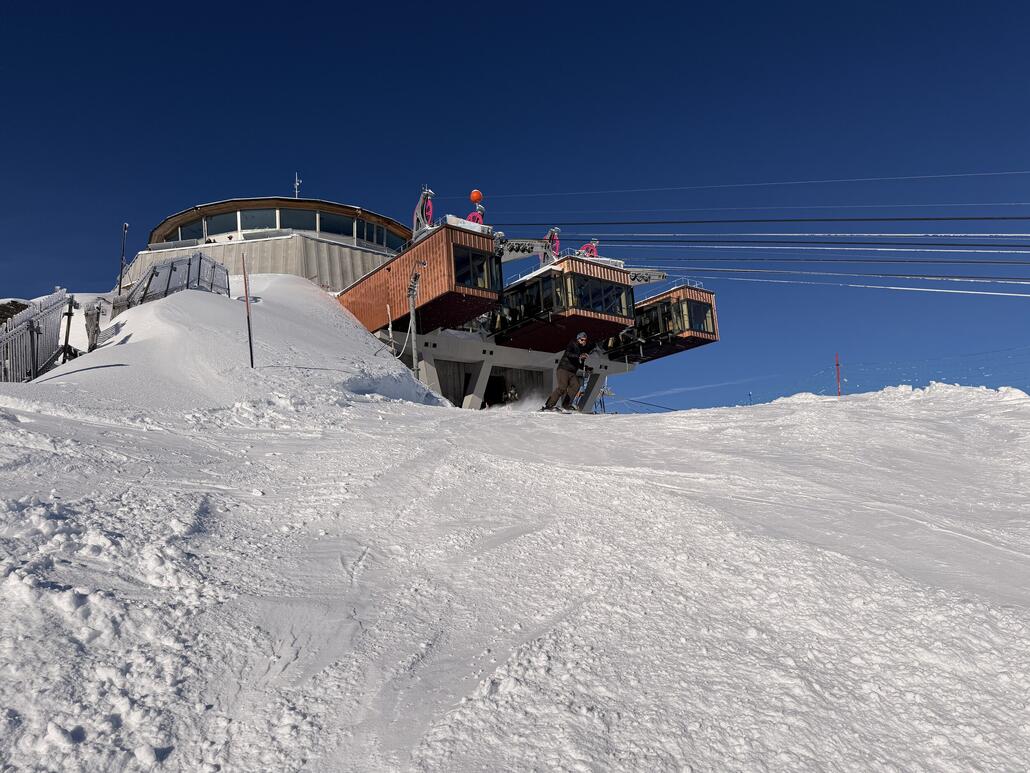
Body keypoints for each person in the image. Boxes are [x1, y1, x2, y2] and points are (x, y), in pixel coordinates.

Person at [543, 331, 589, 411]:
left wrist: (586, 367)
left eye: (585, 340)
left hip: (572, 372)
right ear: (578, 339)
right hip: (564, 369)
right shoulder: (572, 344)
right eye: (582, 340)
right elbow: (568, 354)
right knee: (562, 387)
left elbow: (579, 363)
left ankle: (566, 405)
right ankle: (548, 405)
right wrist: (579, 356)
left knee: (576, 385)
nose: (583, 341)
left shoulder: (582, 350)